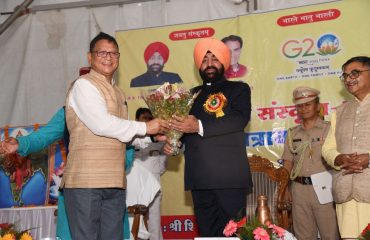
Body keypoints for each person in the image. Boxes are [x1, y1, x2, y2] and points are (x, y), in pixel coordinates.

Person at [63, 32, 168, 240]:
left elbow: (123, 135)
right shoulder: (84, 85)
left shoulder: (119, 93)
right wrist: (147, 127)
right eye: (102, 52)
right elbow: (102, 125)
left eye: (113, 53)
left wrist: (156, 138)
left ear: (119, 58)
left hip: (115, 182)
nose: (108, 57)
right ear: (90, 57)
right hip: (86, 182)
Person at [0, 107, 134, 240]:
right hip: (77, 191)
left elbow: (127, 150)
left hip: (110, 192)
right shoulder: (70, 109)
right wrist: (20, 143)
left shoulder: (116, 106)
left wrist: (107, 164)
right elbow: (44, 135)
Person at [164, 38, 252, 237]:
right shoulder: (189, 96)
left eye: (214, 59)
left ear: (224, 62)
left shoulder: (239, 89)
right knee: (207, 235)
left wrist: (198, 125)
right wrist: (174, 144)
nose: (209, 64)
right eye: (204, 60)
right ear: (198, 65)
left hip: (228, 178)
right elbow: (185, 135)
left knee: (234, 234)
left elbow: (239, 120)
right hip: (199, 179)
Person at [322, 56, 370, 239]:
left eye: (355, 73)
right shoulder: (339, 112)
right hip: (345, 193)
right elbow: (328, 148)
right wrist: (339, 159)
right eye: (345, 75)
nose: (349, 79)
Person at [282, 86, 339, 240]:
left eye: (308, 104)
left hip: (325, 188)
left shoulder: (330, 129)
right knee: (304, 236)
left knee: (330, 234)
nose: (303, 108)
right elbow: (288, 164)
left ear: (317, 105)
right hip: (299, 190)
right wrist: (285, 189)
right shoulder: (292, 134)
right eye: (299, 105)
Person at [131, 107, 167, 240]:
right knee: (135, 218)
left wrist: (155, 172)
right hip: (135, 185)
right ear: (137, 120)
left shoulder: (159, 139)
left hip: (154, 183)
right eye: (144, 118)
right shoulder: (131, 137)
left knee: (154, 218)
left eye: (150, 118)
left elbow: (164, 162)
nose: (148, 121)